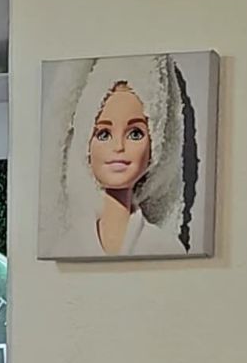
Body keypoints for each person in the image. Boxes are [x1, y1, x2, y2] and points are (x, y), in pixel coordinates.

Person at [53, 55, 190, 258]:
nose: (118, 146)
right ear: (86, 144)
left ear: (156, 142)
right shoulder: (66, 249)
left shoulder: (166, 249)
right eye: (104, 134)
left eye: (135, 134)